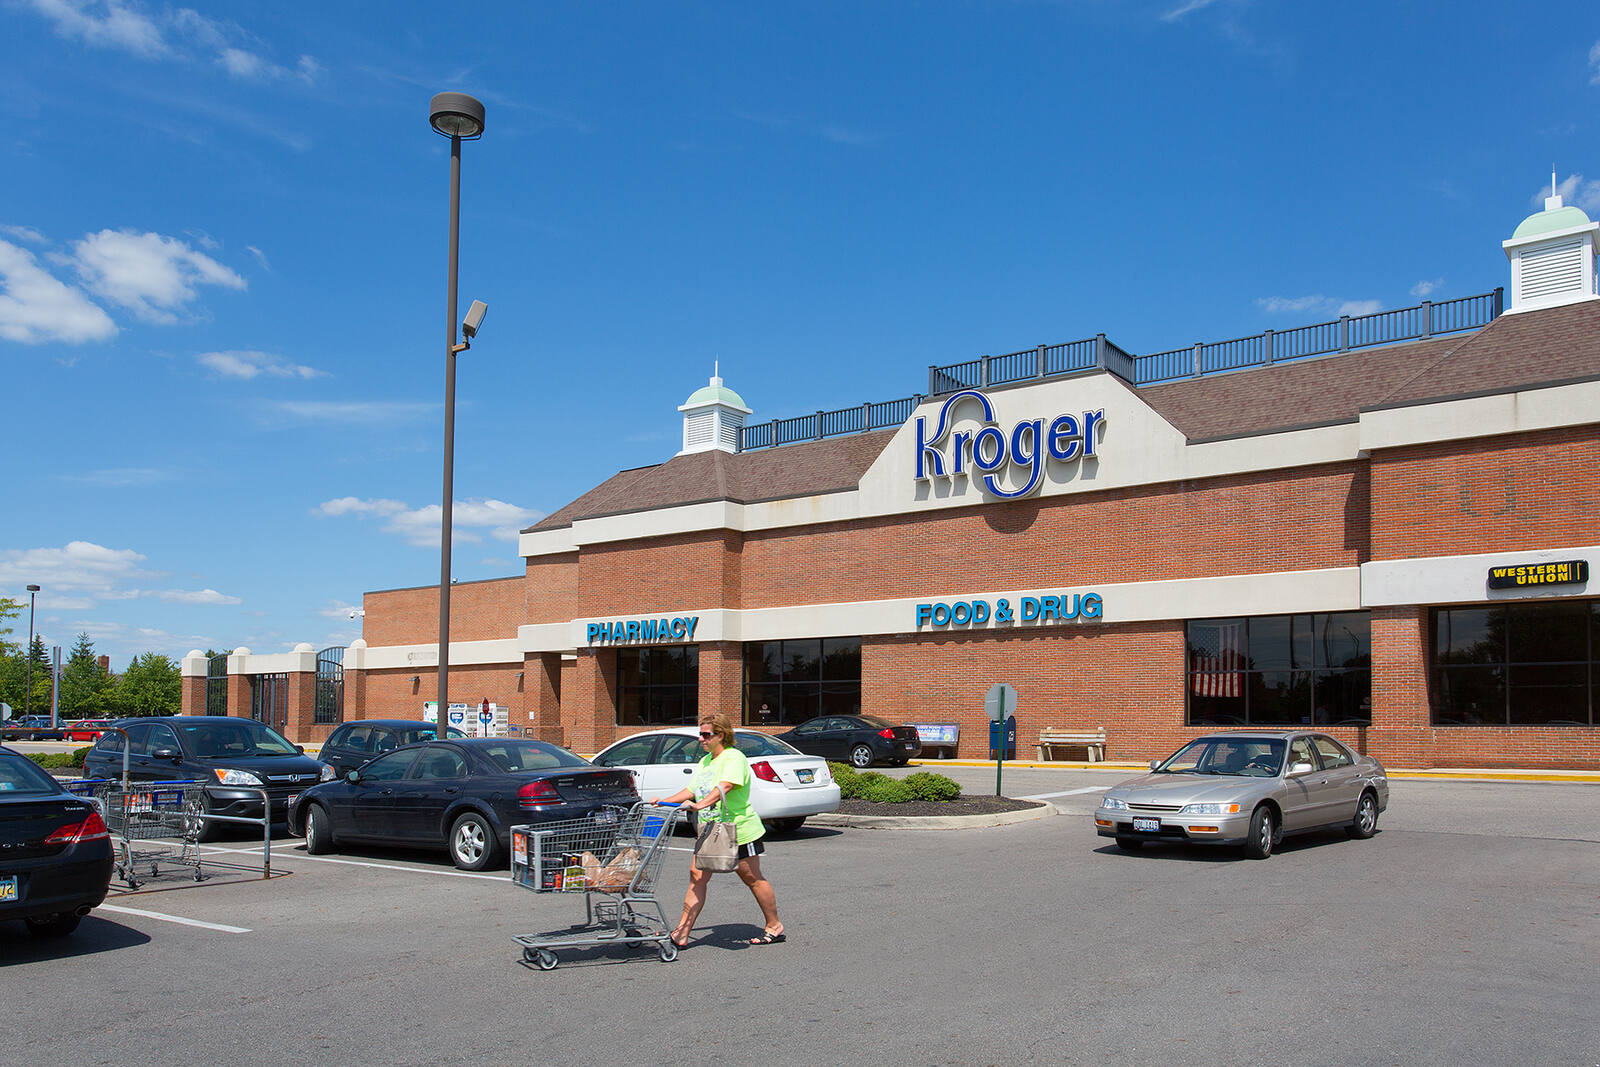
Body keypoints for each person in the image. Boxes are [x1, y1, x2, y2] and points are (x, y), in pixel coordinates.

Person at [650, 712, 785, 948]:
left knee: (751, 878)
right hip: (709, 829)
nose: (700, 739)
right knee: (696, 876)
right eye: (700, 734)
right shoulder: (706, 761)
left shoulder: (734, 758)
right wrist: (664, 802)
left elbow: (726, 785)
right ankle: (681, 932)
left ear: (721, 735)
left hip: (738, 829)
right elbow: (692, 790)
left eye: (706, 735)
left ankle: (774, 925)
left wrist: (701, 804)